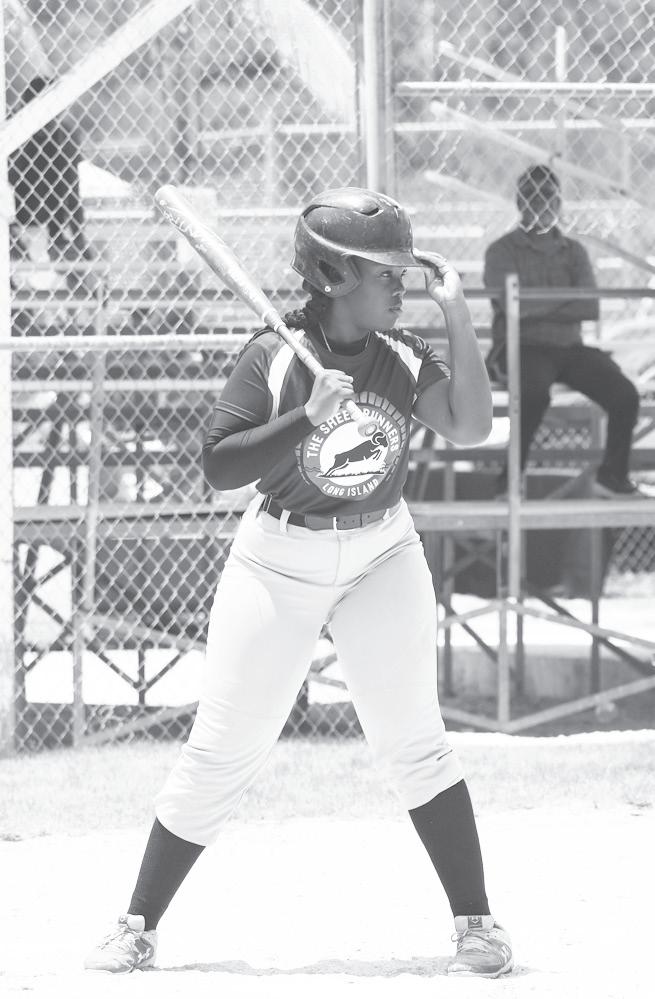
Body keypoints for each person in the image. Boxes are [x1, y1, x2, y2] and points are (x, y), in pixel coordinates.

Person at [84, 187, 513, 978]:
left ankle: (477, 925)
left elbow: (470, 423)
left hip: (381, 553)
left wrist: (456, 311)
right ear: (333, 275)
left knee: (414, 739)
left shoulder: (401, 354)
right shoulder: (274, 355)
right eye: (383, 270)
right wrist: (305, 418)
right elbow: (219, 465)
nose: (399, 283)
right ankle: (136, 924)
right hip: (279, 558)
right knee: (224, 747)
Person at [484, 164, 642, 498]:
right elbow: (513, 309)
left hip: (569, 349)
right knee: (533, 394)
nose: (539, 201)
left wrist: (534, 304)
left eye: (547, 195)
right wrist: (564, 301)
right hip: (521, 346)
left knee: (624, 394)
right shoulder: (501, 251)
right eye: (530, 194)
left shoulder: (574, 251)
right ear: (519, 201)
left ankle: (611, 477)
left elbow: (589, 308)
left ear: (558, 203)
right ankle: (510, 482)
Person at [8, 76, 94, 267]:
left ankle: (58, 242)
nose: (51, 118)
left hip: (51, 221)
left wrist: (78, 236)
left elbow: (72, 189)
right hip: (19, 217)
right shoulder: (13, 131)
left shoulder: (64, 134)